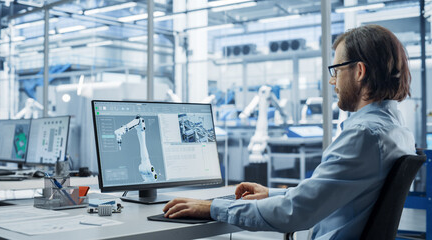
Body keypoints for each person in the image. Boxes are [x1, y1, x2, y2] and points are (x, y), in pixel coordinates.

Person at [163, 24, 416, 239]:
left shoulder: (364, 135)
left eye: (336, 71)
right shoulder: (397, 131)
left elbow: (295, 212)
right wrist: (271, 193)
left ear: (359, 71)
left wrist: (213, 207)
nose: (332, 81)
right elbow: (323, 192)